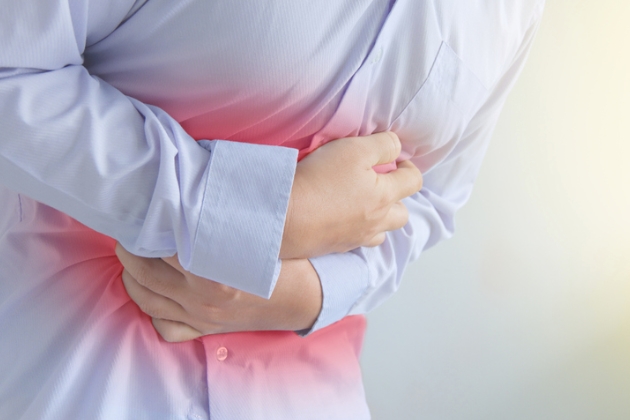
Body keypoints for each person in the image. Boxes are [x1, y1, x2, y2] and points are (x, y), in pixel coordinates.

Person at [0, 0, 545, 418]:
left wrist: (305, 295)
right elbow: (13, 70)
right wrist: (260, 215)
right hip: (75, 380)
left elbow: (433, 199)